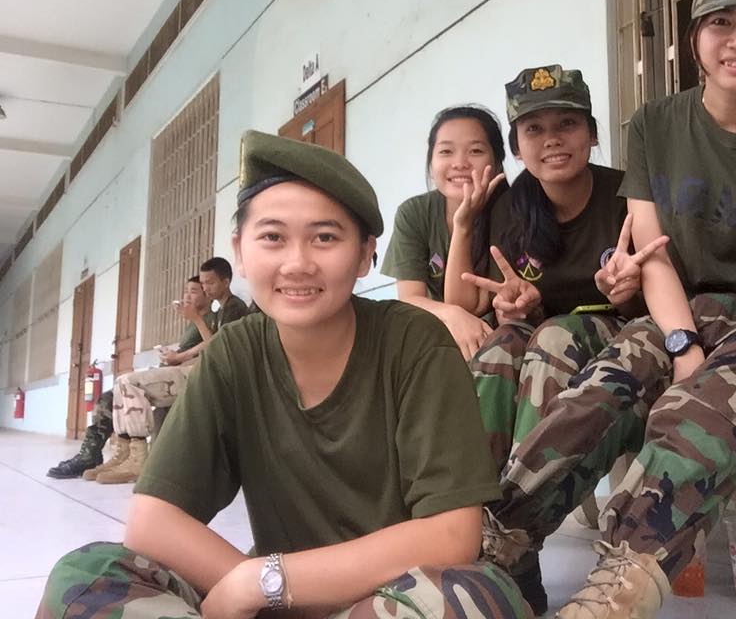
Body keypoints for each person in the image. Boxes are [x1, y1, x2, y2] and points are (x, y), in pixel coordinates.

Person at [478, 0, 736, 619]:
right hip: (681, 307)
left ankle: (622, 584)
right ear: (695, 37)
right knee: (595, 394)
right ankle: (495, 548)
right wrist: (682, 344)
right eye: (721, 22)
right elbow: (652, 256)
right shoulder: (654, 124)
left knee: (698, 410)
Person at [36, 130, 530, 619]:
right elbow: (152, 521)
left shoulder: (414, 342)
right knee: (87, 575)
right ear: (241, 251)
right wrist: (265, 591)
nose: (297, 264)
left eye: (325, 238)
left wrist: (263, 581)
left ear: (365, 255)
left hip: (388, 599)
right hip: (278, 602)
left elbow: (451, 536)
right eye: (273, 237)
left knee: (471, 597)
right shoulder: (235, 353)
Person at [452, 65, 665, 614]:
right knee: (499, 348)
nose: (551, 140)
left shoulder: (627, 194)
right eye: (534, 129)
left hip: (622, 340)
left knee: (551, 338)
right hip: (548, 335)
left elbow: (661, 300)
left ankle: (519, 537)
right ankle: (474, 524)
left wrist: (627, 294)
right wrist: (516, 305)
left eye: (567, 124)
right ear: (516, 146)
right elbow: (494, 302)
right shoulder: (509, 208)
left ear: (591, 133)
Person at [46, 276, 216, 480]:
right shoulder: (192, 324)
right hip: (174, 372)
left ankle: (134, 458)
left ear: (208, 294)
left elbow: (212, 349)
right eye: (186, 291)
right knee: (109, 397)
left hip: (191, 377)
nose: (187, 296)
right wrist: (170, 356)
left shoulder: (212, 320)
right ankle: (106, 454)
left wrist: (180, 354)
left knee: (126, 386)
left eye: (194, 291)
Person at [93, 267, 243, 485]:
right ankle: (126, 454)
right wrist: (177, 356)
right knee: (120, 385)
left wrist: (183, 351)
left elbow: (217, 347)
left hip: (210, 377)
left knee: (126, 382)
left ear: (226, 281)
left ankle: (138, 459)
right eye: (202, 284)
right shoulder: (220, 311)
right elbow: (209, 346)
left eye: (207, 284)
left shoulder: (232, 308)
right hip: (193, 371)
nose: (205, 288)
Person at [381, 105, 508, 359]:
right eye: (446, 151)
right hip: (435, 329)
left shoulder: (510, 212)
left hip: (495, 334)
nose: (459, 163)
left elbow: (472, 306)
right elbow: (410, 299)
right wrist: (451, 315)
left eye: (475, 151)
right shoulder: (414, 213)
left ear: (496, 163)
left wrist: (463, 225)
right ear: (431, 164)